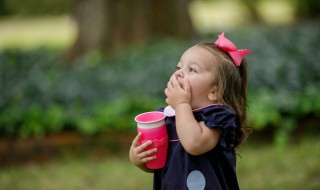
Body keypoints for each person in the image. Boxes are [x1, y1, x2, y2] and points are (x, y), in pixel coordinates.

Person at [129, 32, 252, 190]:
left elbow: (194, 143)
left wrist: (181, 105)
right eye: (179, 67)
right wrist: (140, 160)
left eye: (192, 70)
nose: (179, 73)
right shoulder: (167, 117)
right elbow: (159, 165)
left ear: (215, 91)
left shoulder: (219, 117)